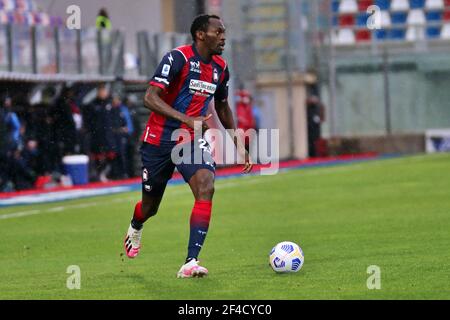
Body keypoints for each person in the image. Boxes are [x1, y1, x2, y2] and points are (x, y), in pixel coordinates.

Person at [123, 14, 253, 278]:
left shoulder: (221, 68)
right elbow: (149, 98)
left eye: (225, 32)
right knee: (150, 207)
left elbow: (222, 106)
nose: (224, 37)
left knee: (206, 186)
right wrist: (186, 119)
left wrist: (239, 143)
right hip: (158, 139)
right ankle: (136, 224)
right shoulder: (177, 58)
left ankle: (190, 261)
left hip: (190, 139)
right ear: (200, 35)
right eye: (218, 32)